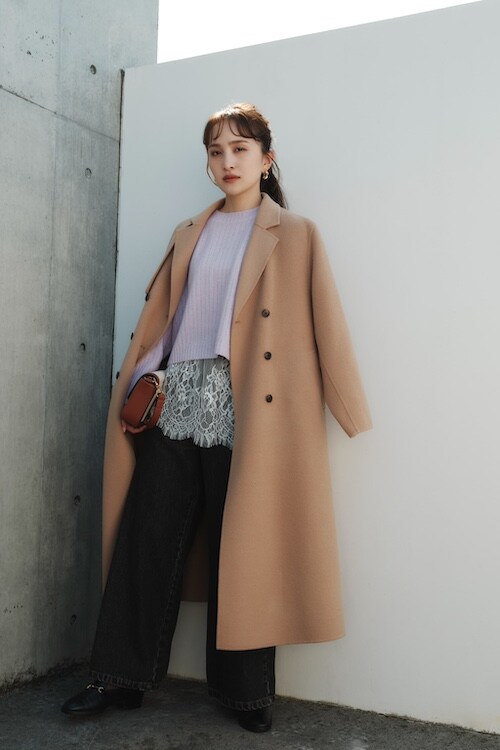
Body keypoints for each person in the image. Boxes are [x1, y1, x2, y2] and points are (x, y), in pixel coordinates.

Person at [61, 102, 372, 733]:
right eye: (216, 151)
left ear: (266, 158)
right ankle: (117, 677)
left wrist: (349, 409)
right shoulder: (189, 231)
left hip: (250, 404)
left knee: (246, 546)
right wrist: (142, 381)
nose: (227, 162)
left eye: (240, 149)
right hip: (178, 397)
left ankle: (246, 692)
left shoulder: (296, 233)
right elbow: (167, 319)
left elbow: (328, 323)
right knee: (147, 537)